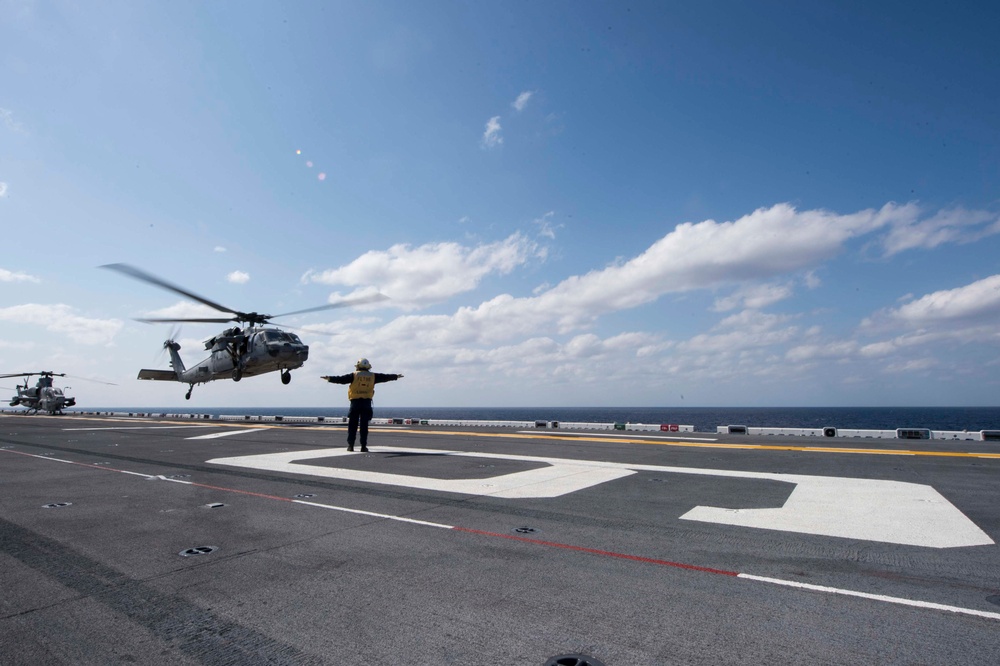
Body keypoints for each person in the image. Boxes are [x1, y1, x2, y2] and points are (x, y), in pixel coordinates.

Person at [321, 358, 403, 452]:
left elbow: (341, 379)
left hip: (355, 403)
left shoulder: (354, 375)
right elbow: (385, 377)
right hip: (366, 403)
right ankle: (363, 446)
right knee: (364, 426)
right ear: (368, 367)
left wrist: (329, 378)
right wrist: (396, 376)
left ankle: (350, 446)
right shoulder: (373, 376)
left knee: (352, 425)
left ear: (358, 366)